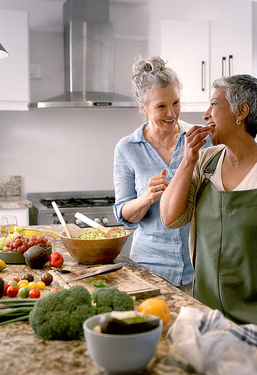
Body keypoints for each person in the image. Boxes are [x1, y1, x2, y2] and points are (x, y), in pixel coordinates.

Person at [160, 74, 257, 359]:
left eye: (214, 104)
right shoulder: (205, 162)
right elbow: (170, 217)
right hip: (208, 318)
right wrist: (187, 160)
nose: (206, 114)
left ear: (241, 112)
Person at [113, 56, 206, 293]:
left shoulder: (199, 141)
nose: (171, 113)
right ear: (143, 108)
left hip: (199, 268)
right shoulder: (127, 147)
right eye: (161, 106)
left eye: (175, 102)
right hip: (149, 270)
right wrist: (146, 198)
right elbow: (123, 214)